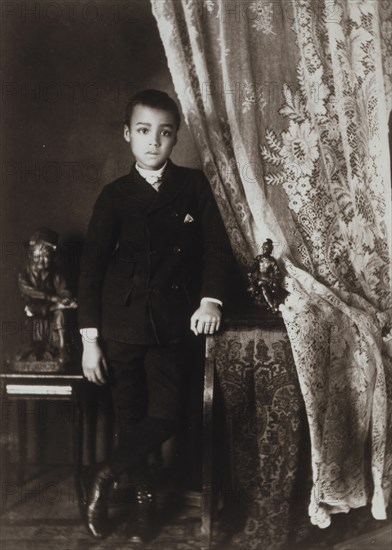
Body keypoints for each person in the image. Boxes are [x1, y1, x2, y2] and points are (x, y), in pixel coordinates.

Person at [78, 90, 232, 541]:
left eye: (165, 134)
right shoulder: (114, 196)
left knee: (166, 416)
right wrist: (90, 341)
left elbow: (216, 251)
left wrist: (210, 300)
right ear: (128, 135)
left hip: (171, 326)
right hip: (120, 327)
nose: (153, 142)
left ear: (175, 138)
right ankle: (145, 510)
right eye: (144, 132)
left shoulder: (193, 186)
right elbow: (90, 270)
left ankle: (102, 476)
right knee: (130, 418)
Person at [18, 227, 77, 363]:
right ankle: (33, 349)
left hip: (51, 308)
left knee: (61, 313)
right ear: (30, 255)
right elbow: (28, 290)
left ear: (53, 257)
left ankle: (62, 349)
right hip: (31, 307)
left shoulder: (55, 273)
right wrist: (54, 298)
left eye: (46, 256)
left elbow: (63, 289)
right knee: (30, 311)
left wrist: (65, 299)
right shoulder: (24, 273)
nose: (41, 260)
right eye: (37, 256)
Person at [247, 238, 284, 313]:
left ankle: (277, 302)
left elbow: (277, 272)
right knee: (263, 287)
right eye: (264, 247)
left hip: (268, 278)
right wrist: (250, 273)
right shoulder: (259, 258)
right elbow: (253, 268)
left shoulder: (272, 260)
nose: (264, 249)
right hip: (259, 278)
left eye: (267, 248)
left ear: (270, 250)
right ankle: (272, 306)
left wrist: (274, 278)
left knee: (274, 285)